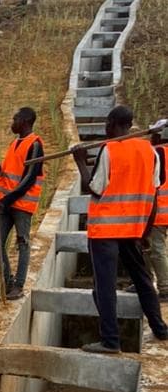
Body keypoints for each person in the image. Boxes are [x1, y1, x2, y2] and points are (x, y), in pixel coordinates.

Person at [71, 105, 168, 354]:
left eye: (107, 124)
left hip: (105, 230)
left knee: (104, 285)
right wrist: (145, 230)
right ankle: (160, 328)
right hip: (133, 229)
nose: (105, 128)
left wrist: (80, 161)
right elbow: (154, 193)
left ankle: (110, 341)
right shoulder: (149, 151)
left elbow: (94, 187)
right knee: (143, 279)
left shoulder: (110, 149)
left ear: (113, 124)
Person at [0, 107, 45, 300]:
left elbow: (28, 179)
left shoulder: (35, 145)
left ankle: (18, 286)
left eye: (15, 119)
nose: (12, 122)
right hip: (6, 203)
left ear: (26, 120)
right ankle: (7, 281)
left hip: (21, 205)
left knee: (22, 242)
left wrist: (5, 201)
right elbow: (7, 175)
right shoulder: (14, 144)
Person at [144, 128, 168, 299]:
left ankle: (165, 287)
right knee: (150, 248)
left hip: (158, 210)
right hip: (161, 210)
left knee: (156, 249)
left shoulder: (159, 152)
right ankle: (145, 281)